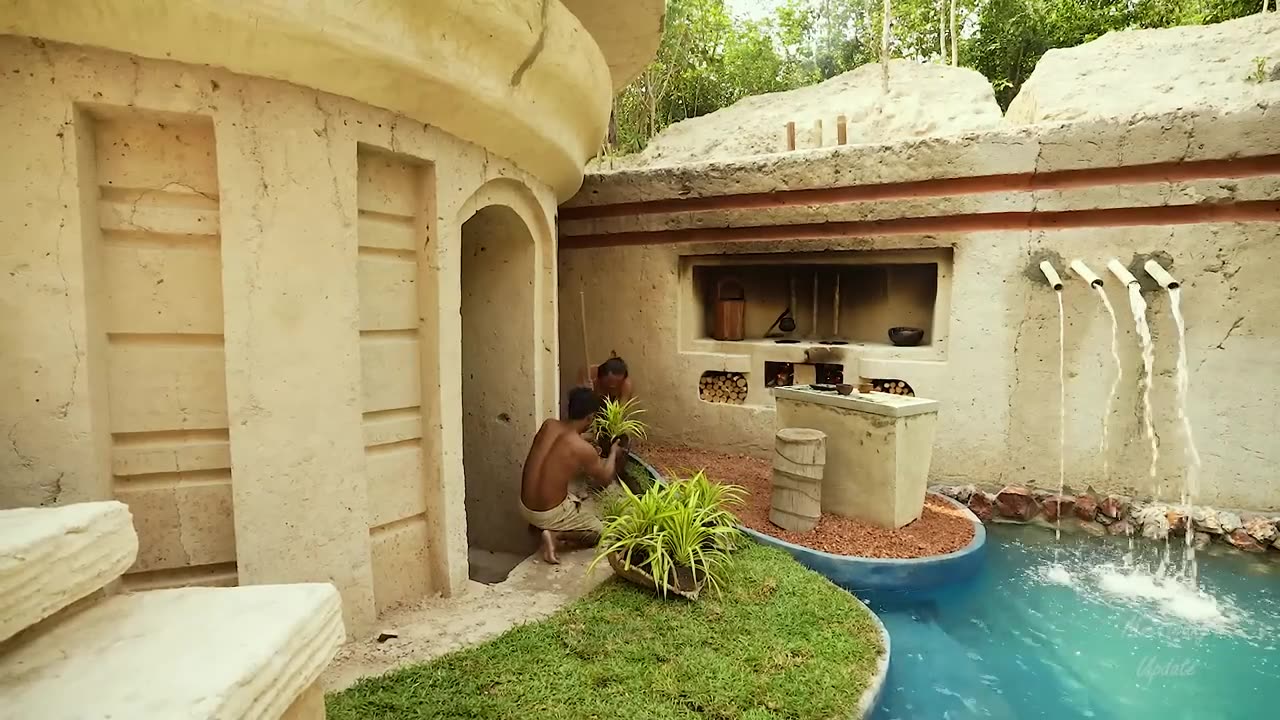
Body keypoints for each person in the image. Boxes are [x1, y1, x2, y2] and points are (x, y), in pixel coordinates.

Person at [520, 387, 623, 564]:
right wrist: (614, 452)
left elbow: (564, 441)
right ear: (590, 417)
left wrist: (588, 442)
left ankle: (538, 527)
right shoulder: (582, 449)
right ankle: (554, 534)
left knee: (568, 487)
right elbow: (605, 478)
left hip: (525, 506)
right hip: (548, 513)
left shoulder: (549, 425)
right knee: (599, 532)